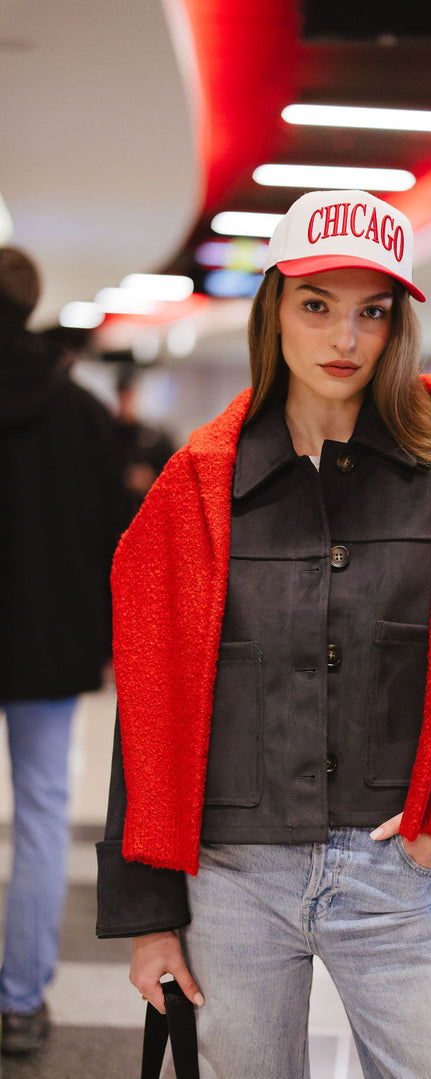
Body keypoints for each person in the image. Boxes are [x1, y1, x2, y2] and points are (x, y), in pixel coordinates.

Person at [96, 191, 431, 1079]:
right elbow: (148, 715)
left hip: (393, 881)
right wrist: (150, 919)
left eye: (371, 311)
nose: (345, 338)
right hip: (231, 880)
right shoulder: (196, 491)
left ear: (397, 324)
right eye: (318, 306)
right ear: (275, 312)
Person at [0, 246, 126, 1055]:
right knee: (43, 812)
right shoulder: (82, 411)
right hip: (47, 644)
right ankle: (18, 1001)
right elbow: (108, 537)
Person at [114, 366, 176, 518]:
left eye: (129, 396)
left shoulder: (156, 439)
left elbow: (174, 479)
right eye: (122, 397)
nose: (125, 403)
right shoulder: (108, 434)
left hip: (147, 515)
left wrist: (151, 479)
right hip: (115, 514)